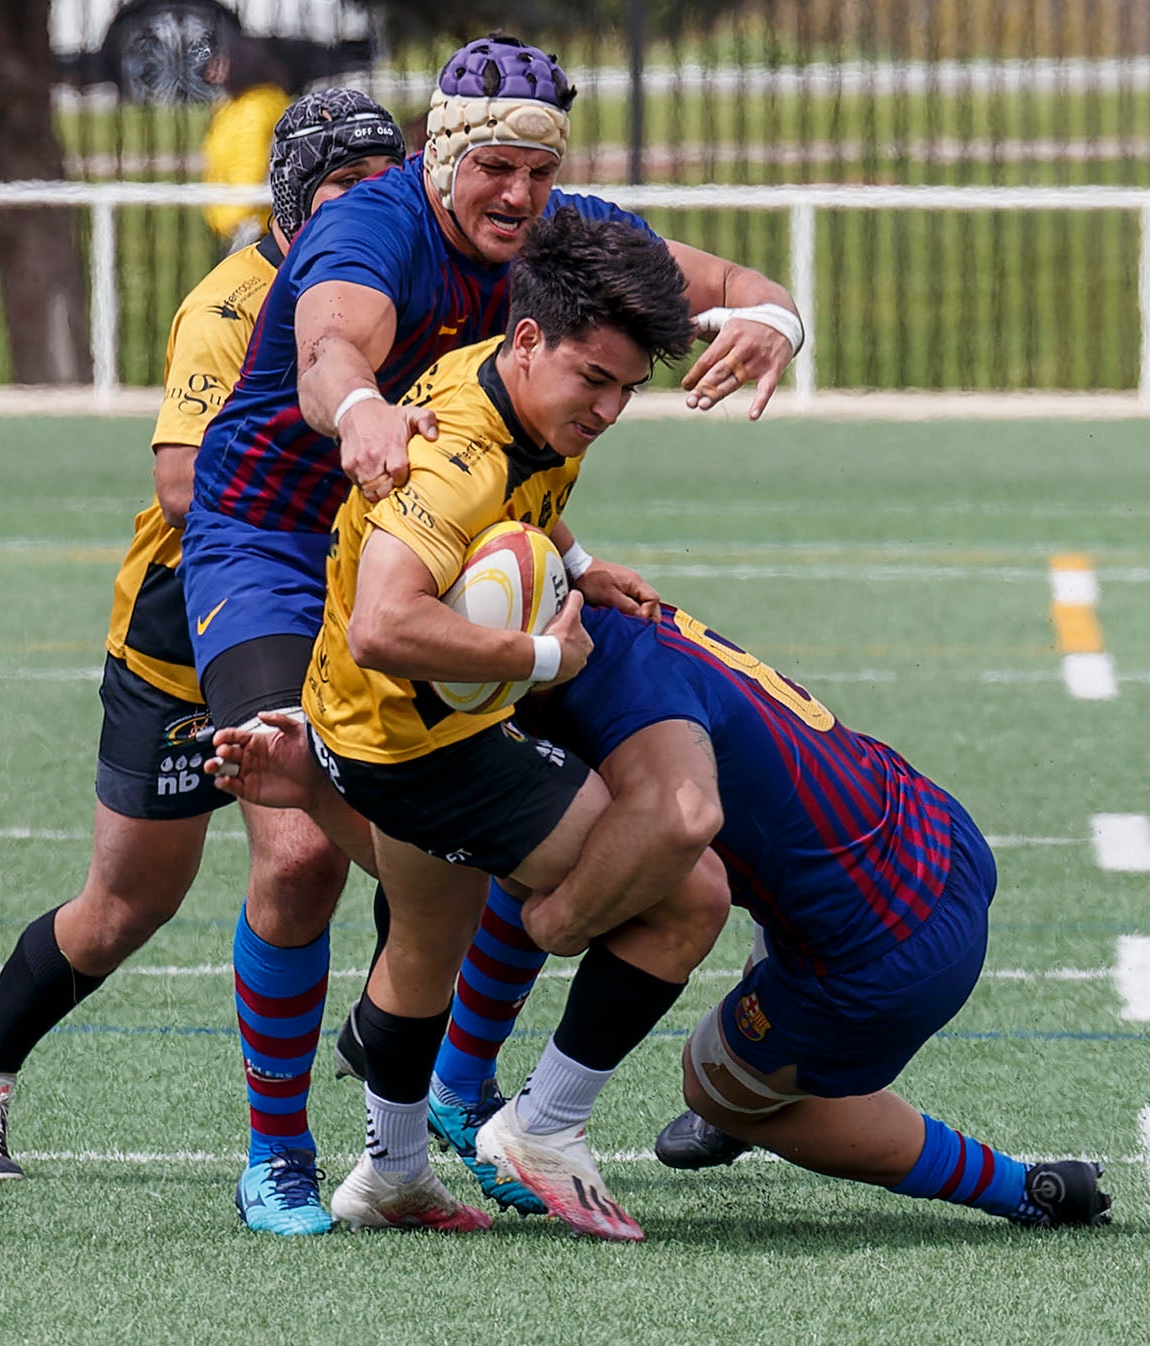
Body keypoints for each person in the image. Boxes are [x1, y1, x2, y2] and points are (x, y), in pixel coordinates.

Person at [181, 32, 801, 1235]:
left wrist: (778, 318)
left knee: (493, 841)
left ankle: (455, 1097)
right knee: (300, 853)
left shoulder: (560, 239)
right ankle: (277, 1152)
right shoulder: (372, 228)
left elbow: (723, 284)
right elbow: (328, 348)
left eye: (538, 169)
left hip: (457, 545)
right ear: (438, 155)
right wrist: (360, 408)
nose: (517, 194)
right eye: (494, 168)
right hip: (277, 541)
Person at [220, 597, 1113, 1232]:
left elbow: (648, 837)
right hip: (926, 829)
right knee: (550, 859)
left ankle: (1020, 1187)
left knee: (711, 1073)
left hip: (883, 949)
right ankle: (472, 1090)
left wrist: (557, 922)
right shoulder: (604, 623)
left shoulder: (598, 704)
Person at [0, 92, 406, 1211]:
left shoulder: (398, 289)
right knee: (126, 904)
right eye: (345, 185)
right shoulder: (232, 301)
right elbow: (184, 484)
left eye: (385, 185)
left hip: (338, 612)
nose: (368, 206)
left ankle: (341, 1108)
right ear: (294, 196)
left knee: (338, 847)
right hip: (188, 625)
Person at [200, 38, 296, 251]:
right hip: (258, 223)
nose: (214, 68)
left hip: (253, 228)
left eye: (223, 62)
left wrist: (231, 218)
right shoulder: (243, 104)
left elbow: (250, 167)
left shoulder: (253, 110)